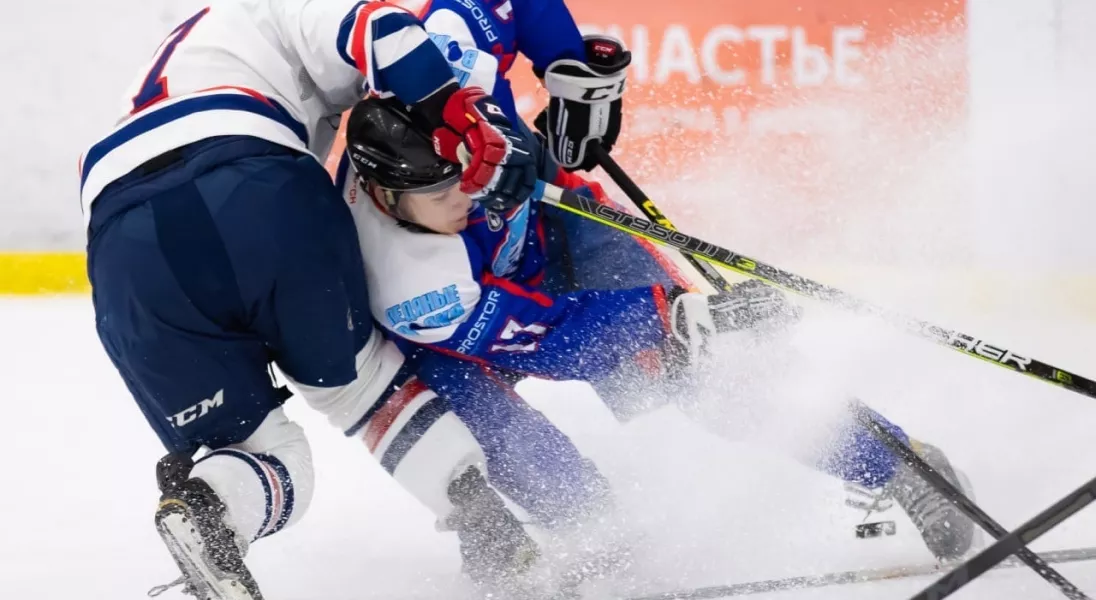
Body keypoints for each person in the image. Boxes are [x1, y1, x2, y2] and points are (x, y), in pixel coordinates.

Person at [337, 95, 980, 565]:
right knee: (499, 434)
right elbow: (558, 340)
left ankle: (898, 464)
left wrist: (683, 325)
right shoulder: (411, 283)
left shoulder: (468, 130)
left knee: (702, 380)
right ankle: (596, 534)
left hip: (560, 248)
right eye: (441, 191)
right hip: (470, 340)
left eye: (469, 177)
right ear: (388, 196)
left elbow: (553, 170)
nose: (467, 197)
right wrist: (673, 315)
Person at [78, 0, 546, 597]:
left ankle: (212, 510)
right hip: (252, 182)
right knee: (362, 387)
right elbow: (385, 32)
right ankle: (489, 526)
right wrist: (461, 118)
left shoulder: (184, 50)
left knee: (254, 448)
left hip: (124, 248)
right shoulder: (283, 5)